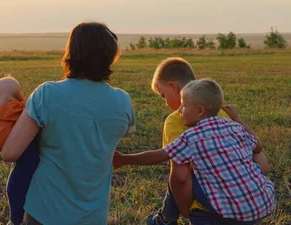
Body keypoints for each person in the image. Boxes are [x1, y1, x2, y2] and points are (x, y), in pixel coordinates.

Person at [1, 22, 136, 225]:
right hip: (94, 215)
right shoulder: (123, 101)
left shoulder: (47, 94)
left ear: (71, 52)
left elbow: (10, 153)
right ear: (111, 56)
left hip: (44, 210)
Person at [113, 79, 276, 224]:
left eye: (183, 106)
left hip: (230, 212)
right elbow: (258, 147)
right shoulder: (234, 127)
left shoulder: (191, 136)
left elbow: (158, 156)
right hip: (261, 203)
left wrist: (125, 159)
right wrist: (238, 119)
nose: (180, 111)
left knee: (183, 173)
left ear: (199, 111)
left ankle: (168, 219)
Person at [146, 57, 270, 225]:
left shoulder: (175, 121)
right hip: (250, 203)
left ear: (173, 87)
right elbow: (262, 163)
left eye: (163, 96)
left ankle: (165, 220)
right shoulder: (223, 113)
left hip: (207, 211)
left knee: (179, 170)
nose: (165, 103)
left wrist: (185, 212)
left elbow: (180, 178)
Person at [0, 76, 40, 225]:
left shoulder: (6, 116)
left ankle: (16, 221)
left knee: (14, 188)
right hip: (35, 156)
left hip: (27, 160)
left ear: (10, 102)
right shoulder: (23, 108)